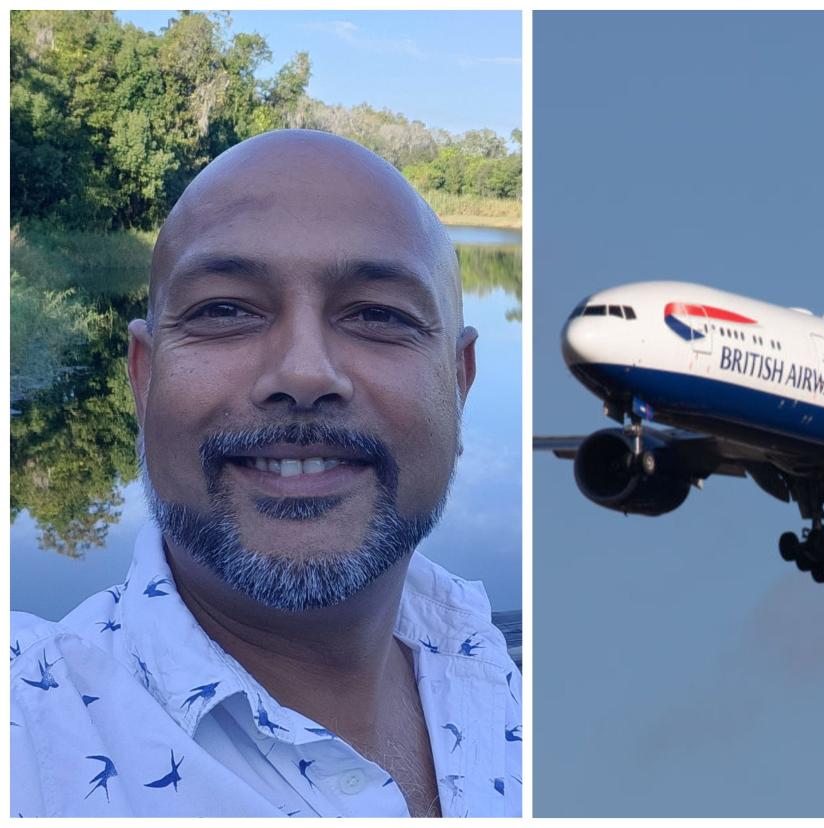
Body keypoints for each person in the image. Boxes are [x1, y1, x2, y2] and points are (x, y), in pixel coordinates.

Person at [10, 130, 521, 818]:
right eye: (225, 310)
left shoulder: (496, 665)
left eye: (377, 315)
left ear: (458, 385)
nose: (304, 372)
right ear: (145, 376)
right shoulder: (29, 725)